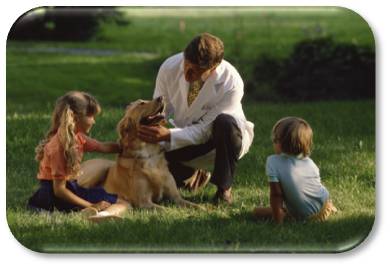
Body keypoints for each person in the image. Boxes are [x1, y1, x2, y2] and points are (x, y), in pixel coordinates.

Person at [137, 33, 254, 204]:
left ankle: (224, 190)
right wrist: (149, 130)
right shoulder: (169, 67)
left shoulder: (232, 83)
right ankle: (193, 175)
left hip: (220, 141)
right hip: (183, 136)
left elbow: (204, 130)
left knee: (225, 124)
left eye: (196, 71)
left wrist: (168, 136)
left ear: (214, 67)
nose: (187, 74)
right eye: (186, 65)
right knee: (154, 179)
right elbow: (161, 107)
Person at [27, 91, 128, 222]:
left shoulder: (78, 138)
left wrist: (127, 146)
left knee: (103, 194)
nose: (94, 121)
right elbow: (59, 190)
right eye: (91, 116)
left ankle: (89, 213)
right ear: (75, 118)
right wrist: (90, 205)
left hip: (70, 189)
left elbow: (103, 147)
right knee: (123, 202)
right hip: (55, 198)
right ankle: (100, 215)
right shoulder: (58, 148)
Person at [253, 117, 337, 223]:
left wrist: (277, 221)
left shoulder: (273, 162)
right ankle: (331, 207)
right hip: (324, 207)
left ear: (281, 143)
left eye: (274, 139)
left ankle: (285, 213)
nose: (273, 142)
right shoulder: (309, 162)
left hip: (302, 216)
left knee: (257, 212)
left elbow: (276, 195)